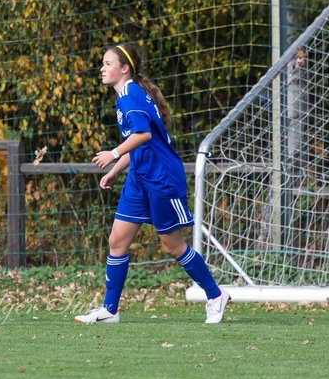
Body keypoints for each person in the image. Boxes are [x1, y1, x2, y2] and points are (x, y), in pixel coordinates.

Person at [76, 42, 230, 325]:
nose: (102, 68)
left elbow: (143, 135)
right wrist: (116, 170)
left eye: (108, 63)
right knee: (117, 241)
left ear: (124, 69)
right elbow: (138, 145)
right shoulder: (127, 93)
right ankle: (110, 310)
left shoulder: (131, 94)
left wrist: (113, 153)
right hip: (139, 177)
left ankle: (215, 294)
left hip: (161, 178)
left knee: (172, 246)